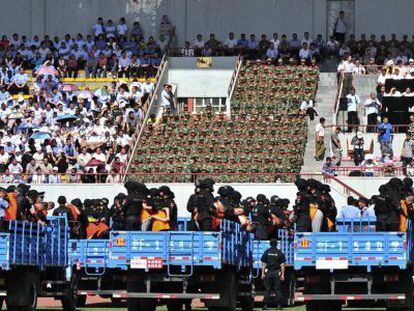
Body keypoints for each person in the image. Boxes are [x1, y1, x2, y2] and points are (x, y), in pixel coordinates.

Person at [261, 238, 286, 311]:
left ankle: (265, 306)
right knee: (277, 289)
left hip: (268, 273)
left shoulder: (267, 252)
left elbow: (263, 263)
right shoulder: (279, 252)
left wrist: (262, 273)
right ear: (276, 244)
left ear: (270, 244)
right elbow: (282, 264)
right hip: (276, 273)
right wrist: (282, 275)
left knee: (267, 289)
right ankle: (278, 306)